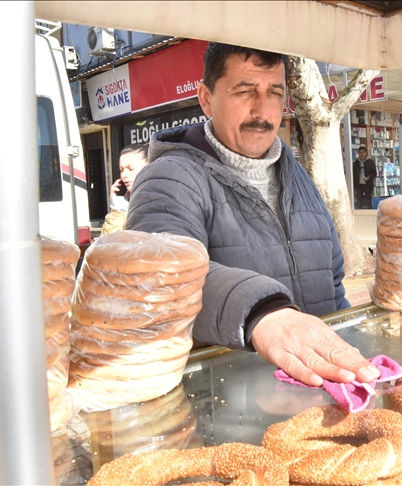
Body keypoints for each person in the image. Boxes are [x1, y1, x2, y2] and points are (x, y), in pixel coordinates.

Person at [127, 43, 379, 387]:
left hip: (326, 396)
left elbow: (332, 285)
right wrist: (262, 314)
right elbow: (160, 280)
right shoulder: (169, 178)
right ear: (206, 98)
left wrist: (355, 357)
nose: (263, 110)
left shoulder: (298, 175)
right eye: (245, 91)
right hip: (231, 413)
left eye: (274, 92)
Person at [100, 144, 149, 235]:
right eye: (121, 170)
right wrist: (117, 208)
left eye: (131, 169)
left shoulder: (161, 200)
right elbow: (107, 243)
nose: (124, 175)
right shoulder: (125, 206)